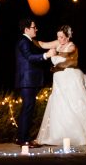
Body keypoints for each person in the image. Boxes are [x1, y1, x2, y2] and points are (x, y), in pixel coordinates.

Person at [15, 18, 57, 146]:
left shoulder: (29, 41)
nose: (36, 29)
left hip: (29, 81)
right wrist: (46, 55)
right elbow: (29, 57)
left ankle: (21, 137)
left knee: (27, 108)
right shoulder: (24, 41)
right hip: (27, 81)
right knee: (27, 108)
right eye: (34, 27)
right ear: (27, 29)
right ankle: (24, 139)